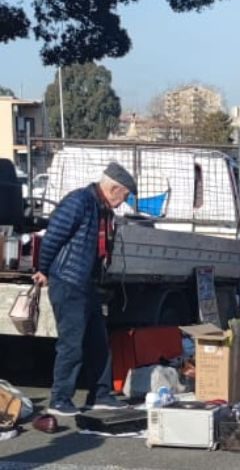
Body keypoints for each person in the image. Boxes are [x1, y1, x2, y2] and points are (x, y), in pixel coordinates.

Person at [34, 163, 137, 416]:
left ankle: (100, 394)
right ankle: (60, 399)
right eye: (123, 196)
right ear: (114, 188)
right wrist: (43, 269)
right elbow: (53, 237)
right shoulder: (79, 202)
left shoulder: (101, 207)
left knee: (97, 341)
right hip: (68, 280)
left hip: (87, 283)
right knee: (72, 343)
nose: (122, 202)